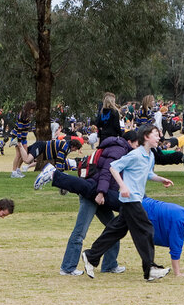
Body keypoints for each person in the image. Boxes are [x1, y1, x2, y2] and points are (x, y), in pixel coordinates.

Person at [81, 125, 173, 282]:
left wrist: (160, 179)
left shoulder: (150, 156)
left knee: (116, 231)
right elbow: (114, 168)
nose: (159, 138)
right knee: (146, 229)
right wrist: (123, 186)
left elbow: (148, 173)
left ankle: (90, 256)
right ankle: (149, 269)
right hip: (131, 199)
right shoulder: (135, 154)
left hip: (135, 198)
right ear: (146, 137)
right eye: (156, 135)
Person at [35, 133, 134, 275]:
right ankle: (68, 267)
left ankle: (110, 264)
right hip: (94, 194)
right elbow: (106, 172)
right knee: (80, 232)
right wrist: (101, 192)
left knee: (114, 228)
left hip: (101, 193)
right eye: (137, 144)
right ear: (130, 141)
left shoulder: (118, 149)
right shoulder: (118, 149)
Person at [10, 101, 36, 178]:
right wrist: (19, 141)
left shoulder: (28, 115)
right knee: (18, 155)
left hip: (24, 137)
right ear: (29, 108)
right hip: (18, 137)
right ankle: (14, 172)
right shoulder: (23, 115)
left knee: (25, 154)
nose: (33, 111)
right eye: (32, 109)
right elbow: (19, 128)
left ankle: (18, 169)